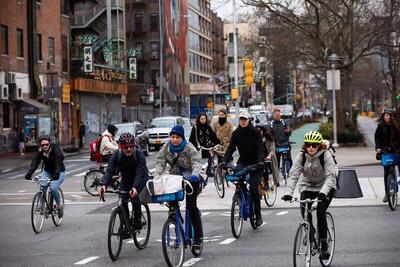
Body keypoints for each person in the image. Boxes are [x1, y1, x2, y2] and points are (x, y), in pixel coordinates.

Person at [282, 131, 336, 260]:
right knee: (305, 212)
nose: (311, 148)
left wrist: (323, 192)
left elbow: (330, 177)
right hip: (307, 186)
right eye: (308, 145)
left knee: (320, 212)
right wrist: (288, 193)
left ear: (319, 146)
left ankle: (324, 245)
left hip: (326, 186)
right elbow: (294, 174)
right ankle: (311, 233)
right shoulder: (302, 155)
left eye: (314, 145)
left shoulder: (326, 155)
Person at [153, 125, 203, 251]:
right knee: (172, 207)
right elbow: (160, 163)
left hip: (192, 179)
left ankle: (198, 238)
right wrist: (157, 176)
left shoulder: (189, 147)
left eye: (177, 137)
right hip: (175, 179)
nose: (174, 139)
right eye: (173, 137)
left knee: (191, 206)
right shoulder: (166, 147)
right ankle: (178, 233)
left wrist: (195, 175)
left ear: (182, 137)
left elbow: (197, 163)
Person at [221, 110, 264, 226]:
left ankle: (258, 214)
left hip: (256, 163)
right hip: (243, 162)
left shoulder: (255, 132)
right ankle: (240, 196)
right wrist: (224, 160)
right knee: (238, 180)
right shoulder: (236, 133)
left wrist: (260, 161)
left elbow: (260, 148)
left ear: (248, 120)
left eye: (245, 119)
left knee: (254, 188)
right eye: (241, 119)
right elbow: (231, 148)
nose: (243, 121)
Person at [100, 132, 148, 236]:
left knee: (134, 197)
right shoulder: (117, 154)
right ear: (121, 147)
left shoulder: (139, 154)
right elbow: (110, 170)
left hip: (140, 177)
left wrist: (135, 187)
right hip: (126, 178)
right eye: (126, 147)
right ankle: (126, 225)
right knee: (122, 200)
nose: (129, 149)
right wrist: (104, 185)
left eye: (131, 146)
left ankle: (137, 221)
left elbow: (140, 172)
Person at [24, 136, 65, 218]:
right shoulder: (40, 152)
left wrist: (56, 174)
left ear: (49, 143)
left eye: (46, 144)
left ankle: (59, 205)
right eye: (42, 145)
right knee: (43, 185)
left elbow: (58, 163)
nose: (45, 146)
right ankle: (41, 205)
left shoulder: (55, 150)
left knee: (53, 188)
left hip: (59, 172)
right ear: (40, 146)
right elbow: (35, 162)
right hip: (47, 171)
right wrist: (29, 173)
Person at [374, 108, 400, 202]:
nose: (386, 117)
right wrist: (378, 148)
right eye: (385, 115)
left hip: (397, 149)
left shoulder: (397, 125)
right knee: (387, 172)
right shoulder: (381, 126)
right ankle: (387, 193)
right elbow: (377, 138)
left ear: (392, 117)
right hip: (385, 150)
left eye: (388, 115)